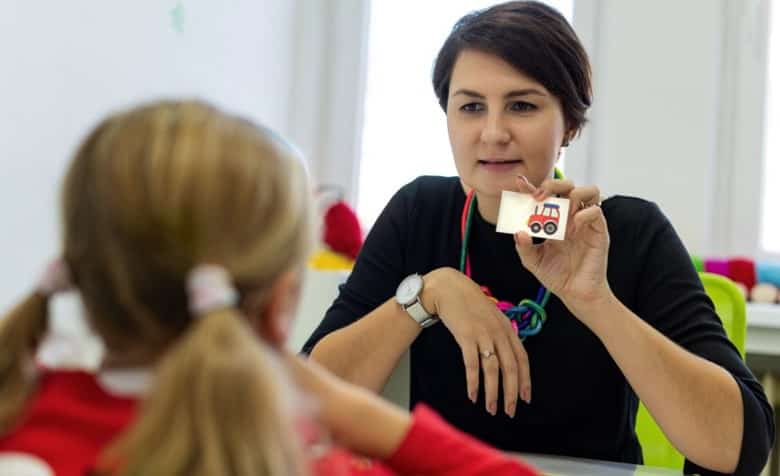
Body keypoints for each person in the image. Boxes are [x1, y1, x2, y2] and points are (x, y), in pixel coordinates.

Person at [303, 2, 775, 475]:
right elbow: (306, 402)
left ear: (569, 123)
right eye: (470, 107)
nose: (493, 132)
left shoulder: (628, 232)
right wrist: (430, 294)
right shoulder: (420, 212)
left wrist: (595, 300)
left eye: (522, 106)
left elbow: (741, 451)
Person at [0, 100, 538, 476]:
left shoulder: (18, 419)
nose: (493, 130)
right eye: (470, 107)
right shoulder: (297, 461)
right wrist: (347, 410)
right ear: (282, 301)